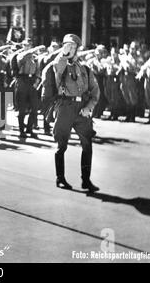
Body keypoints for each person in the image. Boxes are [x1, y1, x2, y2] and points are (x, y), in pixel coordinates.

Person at [42, 34, 100, 192]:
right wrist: (63, 53)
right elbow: (58, 66)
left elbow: (95, 91)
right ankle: (60, 178)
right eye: (68, 46)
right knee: (62, 145)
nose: (71, 50)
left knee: (87, 143)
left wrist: (89, 107)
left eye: (74, 47)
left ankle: (86, 180)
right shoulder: (59, 65)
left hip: (82, 108)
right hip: (65, 107)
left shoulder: (85, 68)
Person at [11, 39, 44, 139]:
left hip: (32, 82)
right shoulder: (20, 55)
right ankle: (21, 131)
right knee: (22, 109)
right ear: (23, 46)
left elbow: (38, 70)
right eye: (25, 45)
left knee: (34, 108)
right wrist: (35, 49)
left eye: (29, 45)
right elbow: (22, 59)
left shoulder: (34, 57)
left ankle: (29, 128)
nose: (28, 46)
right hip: (22, 81)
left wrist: (37, 81)